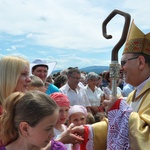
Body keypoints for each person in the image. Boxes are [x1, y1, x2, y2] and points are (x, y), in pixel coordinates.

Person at [71, 21, 150, 150]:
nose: (121, 69)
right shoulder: (132, 95)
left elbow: (145, 139)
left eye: (123, 62)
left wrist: (119, 107)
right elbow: (118, 128)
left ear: (140, 62)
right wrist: (88, 131)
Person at [0, 90, 67, 150]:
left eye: (53, 127)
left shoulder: (58, 148)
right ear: (25, 128)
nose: (53, 134)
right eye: (48, 128)